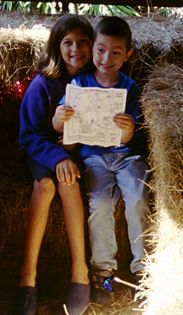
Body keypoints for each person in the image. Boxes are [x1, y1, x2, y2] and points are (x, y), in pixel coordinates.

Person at [53, 16, 150, 306]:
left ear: (127, 55)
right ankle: (104, 276)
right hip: (93, 158)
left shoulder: (130, 88)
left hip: (127, 157)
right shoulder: (78, 83)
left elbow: (127, 139)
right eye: (100, 50)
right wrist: (60, 119)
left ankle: (143, 273)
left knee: (137, 200)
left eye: (116, 52)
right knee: (100, 205)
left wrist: (127, 127)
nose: (107, 58)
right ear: (93, 49)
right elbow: (62, 129)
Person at [15, 14, 94, 315]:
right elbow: (29, 135)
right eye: (68, 43)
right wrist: (57, 155)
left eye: (83, 42)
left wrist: (75, 147)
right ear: (56, 47)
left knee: (69, 183)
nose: (76, 49)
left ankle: (80, 272)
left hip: (77, 155)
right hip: (42, 151)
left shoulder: (97, 83)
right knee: (46, 184)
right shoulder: (42, 84)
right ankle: (27, 277)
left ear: (92, 45)